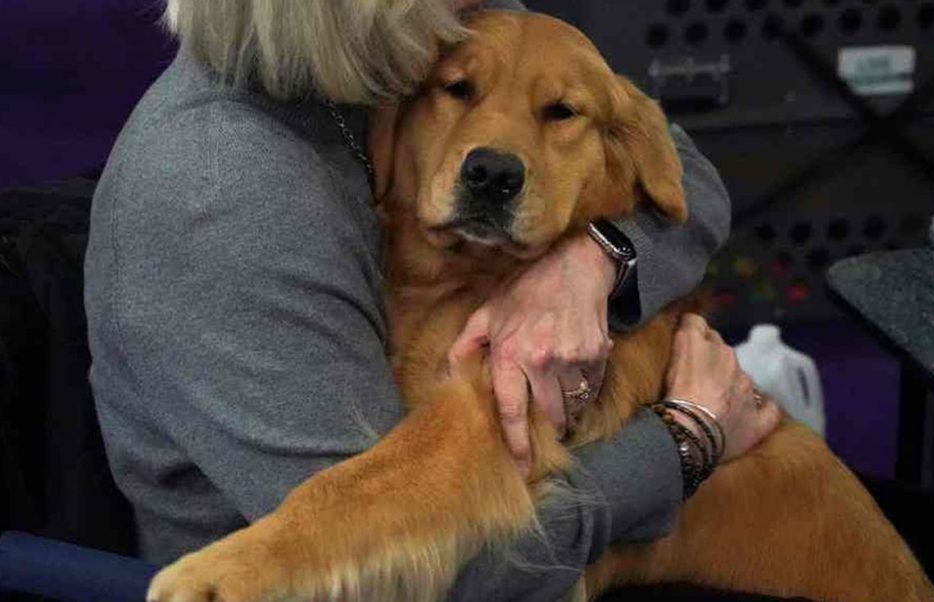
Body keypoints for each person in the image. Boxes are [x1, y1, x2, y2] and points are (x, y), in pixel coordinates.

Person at [84, 0, 781, 600]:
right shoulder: (226, 188)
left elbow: (685, 180)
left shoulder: (426, 28)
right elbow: (461, 578)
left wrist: (594, 260)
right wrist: (685, 442)